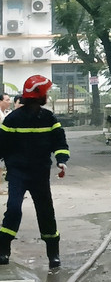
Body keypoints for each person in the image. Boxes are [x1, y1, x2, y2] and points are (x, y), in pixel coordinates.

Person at [0, 75, 69, 268]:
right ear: (38, 96)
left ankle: (53, 253)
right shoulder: (13, 120)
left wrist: (61, 160)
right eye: (45, 92)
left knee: (46, 211)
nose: (47, 95)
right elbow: (2, 145)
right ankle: (3, 249)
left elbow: (59, 142)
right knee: (13, 209)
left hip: (40, 173)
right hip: (18, 172)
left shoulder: (48, 118)